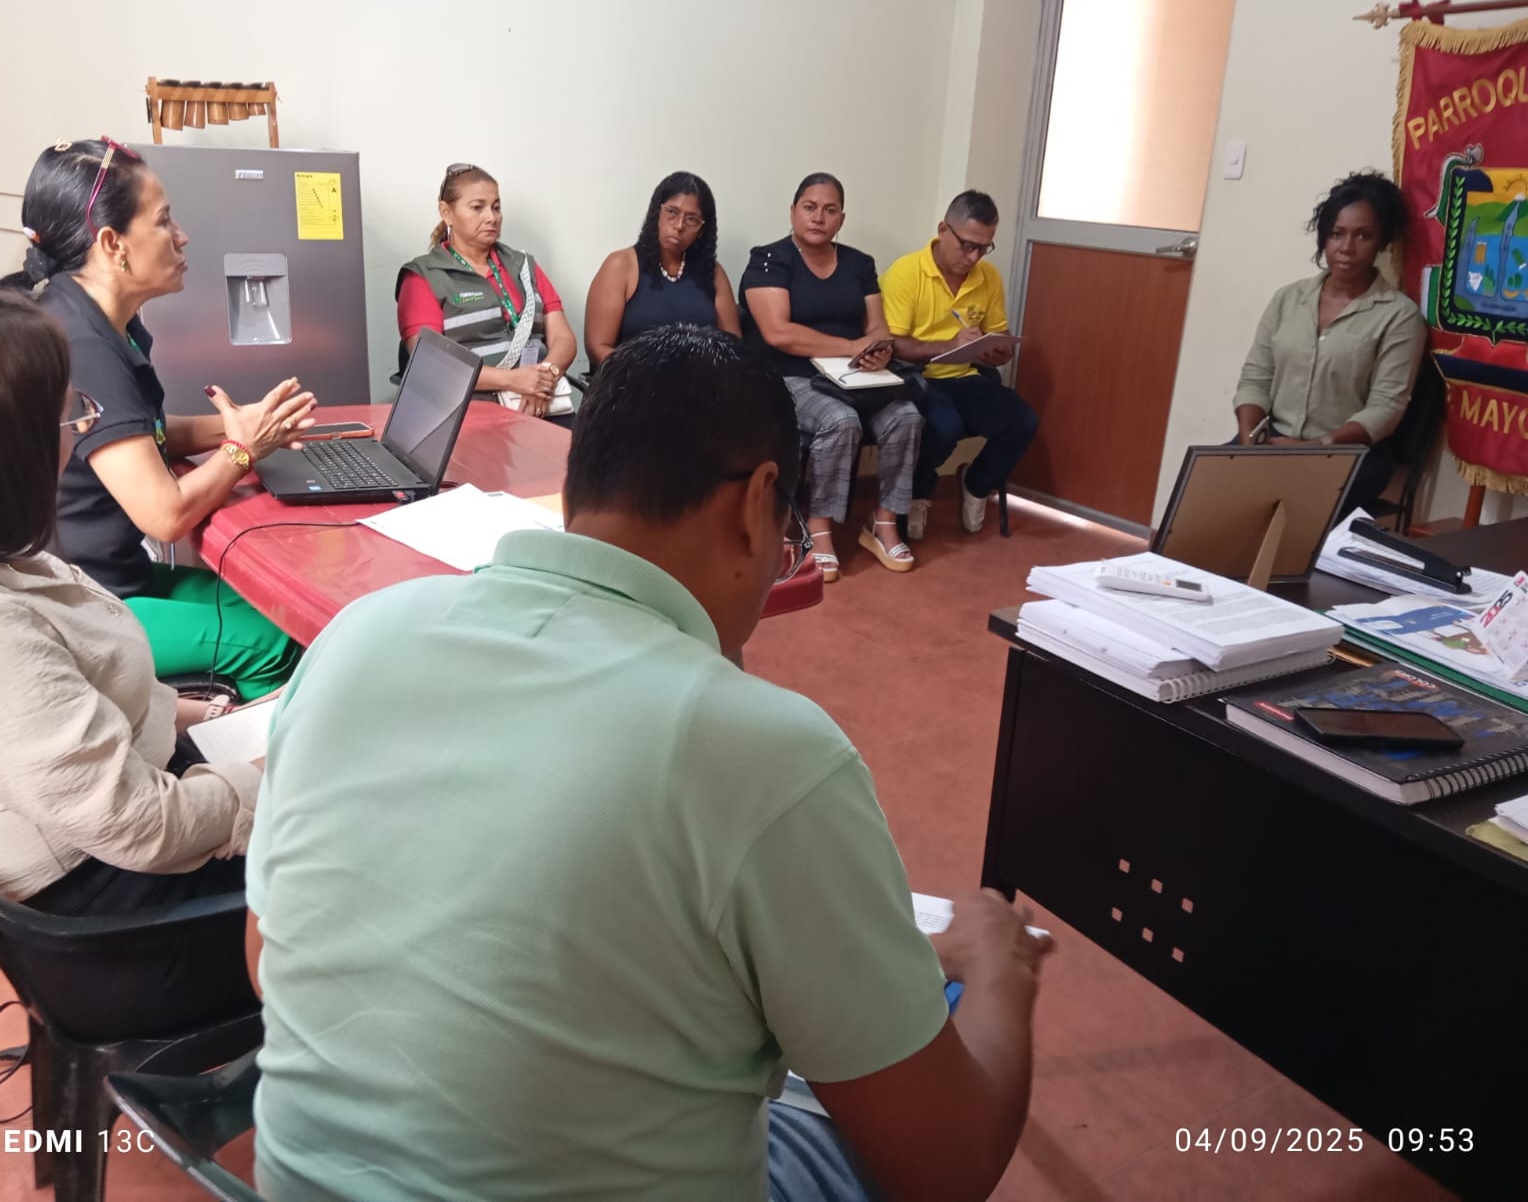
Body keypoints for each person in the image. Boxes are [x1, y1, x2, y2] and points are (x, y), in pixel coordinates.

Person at [244, 326, 1052, 1201]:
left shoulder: (359, 635)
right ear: (758, 502)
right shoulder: (770, 755)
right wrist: (999, 964)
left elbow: (266, 953)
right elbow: (947, 1169)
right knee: (915, 1045)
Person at [0, 289, 260, 1042]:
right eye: (66, 415)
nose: (80, 430)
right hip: (128, 932)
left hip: (131, 836)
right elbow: (148, 827)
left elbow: (85, 701)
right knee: (385, 830)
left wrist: (212, 717)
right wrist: (273, 776)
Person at [0, 137, 313, 702]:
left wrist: (247, 423)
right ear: (112, 243)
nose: (182, 236)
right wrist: (242, 451)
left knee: (287, 612)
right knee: (275, 645)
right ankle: (227, 749)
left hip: (109, 576)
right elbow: (165, 515)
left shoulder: (90, 316)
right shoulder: (83, 347)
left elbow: (138, 435)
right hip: (82, 606)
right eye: (164, 221)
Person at [741, 173, 921, 579]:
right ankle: (818, 530)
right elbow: (778, 333)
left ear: (842, 218)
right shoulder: (769, 260)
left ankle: (883, 523)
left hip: (855, 377)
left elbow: (878, 327)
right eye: (809, 207)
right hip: (788, 377)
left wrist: (878, 349)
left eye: (830, 209)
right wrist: (851, 345)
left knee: (907, 416)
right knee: (840, 421)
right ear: (793, 211)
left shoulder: (860, 263)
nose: (818, 217)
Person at [1233, 170, 1427, 513]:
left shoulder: (1400, 316)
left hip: (1347, 455)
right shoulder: (1288, 299)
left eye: (1363, 235)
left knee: (1281, 505)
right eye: (1337, 234)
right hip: (1273, 442)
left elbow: (1385, 409)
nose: (1346, 248)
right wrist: (1250, 440)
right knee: (1202, 493)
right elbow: (1255, 377)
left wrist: (1316, 447)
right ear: (1324, 237)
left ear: (1383, 242)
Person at [880, 190, 1039, 541]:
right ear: (943, 230)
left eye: (983, 248)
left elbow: (999, 332)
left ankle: (977, 483)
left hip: (966, 377)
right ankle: (918, 493)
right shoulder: (906, 273)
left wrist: (999, 350)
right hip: (915, 378)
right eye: (967, 245)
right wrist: (948, 345)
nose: (973, 257)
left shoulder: (988, 277)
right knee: (944, 426)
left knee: (1023, 420)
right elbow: (892, 344)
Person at [397, 163, 578, 427]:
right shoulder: (424, 276)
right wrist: (513, 381)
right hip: (472, 416)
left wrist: (544, 378)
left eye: (496, 207)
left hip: (545, 404)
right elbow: (431, 365)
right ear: (446, 212)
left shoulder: (523, 265)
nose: (491, 217)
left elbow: (564, 338)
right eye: (477, 207)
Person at [583, 171, 741, 366]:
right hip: (631, 379)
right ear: (656, 213)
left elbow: (733, 348)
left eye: (691, 219)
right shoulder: (621, 265)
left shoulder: (713, 273)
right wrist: (643, 377)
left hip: (701, 380)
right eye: (672, 212)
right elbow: (598, 347)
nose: (679, 225)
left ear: (701, 229)